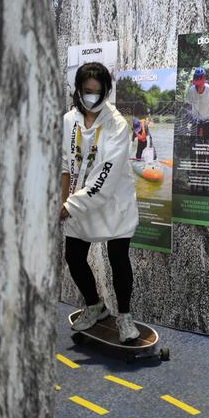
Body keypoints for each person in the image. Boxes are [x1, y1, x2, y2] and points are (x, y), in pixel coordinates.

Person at [61, 62, 141, 342]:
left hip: (112, 203)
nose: (91, 97)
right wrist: (64, 201)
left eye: (97, 92)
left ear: (106, 91)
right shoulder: (70, 120)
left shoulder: (117, 125)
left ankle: (125, 317)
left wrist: (68, 206)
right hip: (79, 202)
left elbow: (104, 179)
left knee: (118, 258)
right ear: (78, 91)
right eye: (86, 91)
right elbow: (66, 165)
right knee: (73, 256)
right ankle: (95, 306)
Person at [185, 67, 209, 136]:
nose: (199, 88)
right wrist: (188, 114)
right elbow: (187, 104)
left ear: (204, 82)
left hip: (208, 119)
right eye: (197, 85)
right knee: (193, 141)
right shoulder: (191, 91)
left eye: (200, 85)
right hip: (196, 120)